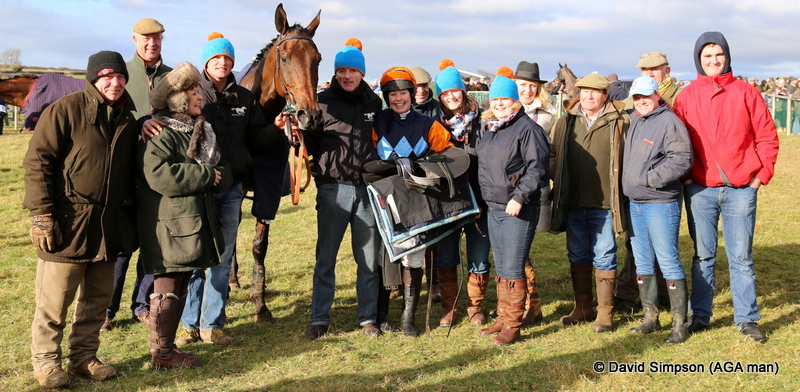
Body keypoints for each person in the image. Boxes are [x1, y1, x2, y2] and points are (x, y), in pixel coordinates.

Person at [23, 51, 138, 389]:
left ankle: (83, 358)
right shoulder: (65, 109)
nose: (114, 83)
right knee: (54, 302)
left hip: (108, 225)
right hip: (68, 221)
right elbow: (37, 161)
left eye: (119, 77)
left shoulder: (128, 119)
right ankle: (46, 364)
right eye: (107, 77)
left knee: (97, 301)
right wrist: (42, 214)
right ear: (92, 79)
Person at [174, 33, 284, 347]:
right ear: (207, 61)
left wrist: (274, 129)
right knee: (195, 257)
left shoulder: (244, 98)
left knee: (221, 260)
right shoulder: (193, 92)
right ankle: (189, 325)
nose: (222, 63)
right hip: (199, 188)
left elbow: (257, 138)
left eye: (227, 58)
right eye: (216, 58)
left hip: (232, 186)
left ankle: (212, 324)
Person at [673, 31, 779, 343]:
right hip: (700, 189)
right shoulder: (687, 96)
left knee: (741, 257)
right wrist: (687, 179)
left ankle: (747, 319)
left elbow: (767, 137)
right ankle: (701, 316)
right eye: (707, 56)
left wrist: (760, 176)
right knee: (703, 256)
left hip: (741, 189)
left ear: (727, 56)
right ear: (698, 60)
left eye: (718, 55)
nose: (714, 61)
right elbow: (678, 142)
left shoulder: (747, 93)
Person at [137, 62, 232, 369]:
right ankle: (162, 354)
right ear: (178, 99)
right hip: (171, 226)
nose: (199, 96)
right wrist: (207, 176)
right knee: (165, 291)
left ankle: (166, 350)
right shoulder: (162, 134)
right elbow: (159, 175)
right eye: (192, 92)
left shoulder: (200, 130)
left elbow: (222, 169)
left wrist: (220, 177)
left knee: (177, 288)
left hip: (191, 225)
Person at [303, 38, 384, 340]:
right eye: (342, 71)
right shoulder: (321, 102)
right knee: (326, 258)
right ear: (335, 73)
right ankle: (319, 318)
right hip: (333, 190)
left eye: (353, 71)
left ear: (362, 73)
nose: (347, 76)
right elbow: (308, 144)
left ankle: (368, 318)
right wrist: (296, 133)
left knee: (367, 258)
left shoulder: (373, 104)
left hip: (366, 190)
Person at [103, 17, 174, 334]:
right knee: (120, 248)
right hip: (123, 174)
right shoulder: (120, 75)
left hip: (158, 178)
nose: (151, 43)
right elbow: (107, 118)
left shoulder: (172, 77)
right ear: (134, 39)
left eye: (157, 38)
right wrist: (139, 123)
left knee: (152, 245)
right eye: (145, 38)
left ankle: (142, 306)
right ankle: (106, 308)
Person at [372, 66, 453, 337]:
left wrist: (430, 171)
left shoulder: (428, 125)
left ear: (411, 94)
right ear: (386, 96)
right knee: (384, 256)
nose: (398, 99)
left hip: (416, 200)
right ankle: (382, 314)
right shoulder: (377, 122)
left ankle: (409, 317)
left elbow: (449, 153)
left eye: (403, 93)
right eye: (392, 94)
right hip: (385, 197)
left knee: (414, 256)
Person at [550, 72, 630, 333]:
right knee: (577, 254)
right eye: (585, 91)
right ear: (578, 93)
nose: (589, 96)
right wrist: (556, 175)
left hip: (605, 202)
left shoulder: (619, 120)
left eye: (595, 92)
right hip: (573, 201)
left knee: (605, 255)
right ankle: (582, 306)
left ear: (605, 95)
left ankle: (605, 312)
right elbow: (552, 155)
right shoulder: (565, 122)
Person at [476, 72, 550, 345]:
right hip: (493, 207)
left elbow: (538, 168)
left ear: (515, 101)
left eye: (504, 99)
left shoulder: (528, 129)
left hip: (517, 207)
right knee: (502, 265)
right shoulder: (492, 129)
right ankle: (503, 315)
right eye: (495, 99)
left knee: (514, 266)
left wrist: (519, 197)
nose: (498, 104)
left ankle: (513, 324)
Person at [622, 76, 692, 344]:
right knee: (642, 260)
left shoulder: (669, 122)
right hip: (636, 204)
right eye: (637, 98)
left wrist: (651, 179)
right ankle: (650, 318)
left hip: (660, 203)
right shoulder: (637, 120)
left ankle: (679, 324)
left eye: (645, 97)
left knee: (667, 259)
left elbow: (681, 159)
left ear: (657, 96)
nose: (641, 102)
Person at [616, 51, 681, 314]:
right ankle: (650, 306)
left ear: (666, 70)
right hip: (638, 195)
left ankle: (669, 306)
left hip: (662, 192)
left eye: (654, 69)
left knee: (665, 250)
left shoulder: (674, 102)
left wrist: (650, 179)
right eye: (645, 70)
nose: (649, 73)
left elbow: (679, 155)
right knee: (639, 249)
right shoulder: (637, 111)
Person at [431, 59, 491, 328]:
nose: (451, 97)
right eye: (444, 93)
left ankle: (475, 306)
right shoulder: (435, 126)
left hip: (480, 200)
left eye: (454, 91)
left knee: (478, 257)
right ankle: (449, 307)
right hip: (448, 202)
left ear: (463, 91)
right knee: (446, 257)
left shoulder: (483, 123)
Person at [513, 60, 557, 325]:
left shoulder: (547, 116)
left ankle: (532, 303)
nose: (527, 90)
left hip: (531, 187)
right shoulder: (502, 110)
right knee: (515, 249)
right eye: (522, 85)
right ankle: (520, 301)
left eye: (531, 86)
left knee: (522, 247)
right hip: (506, 189)